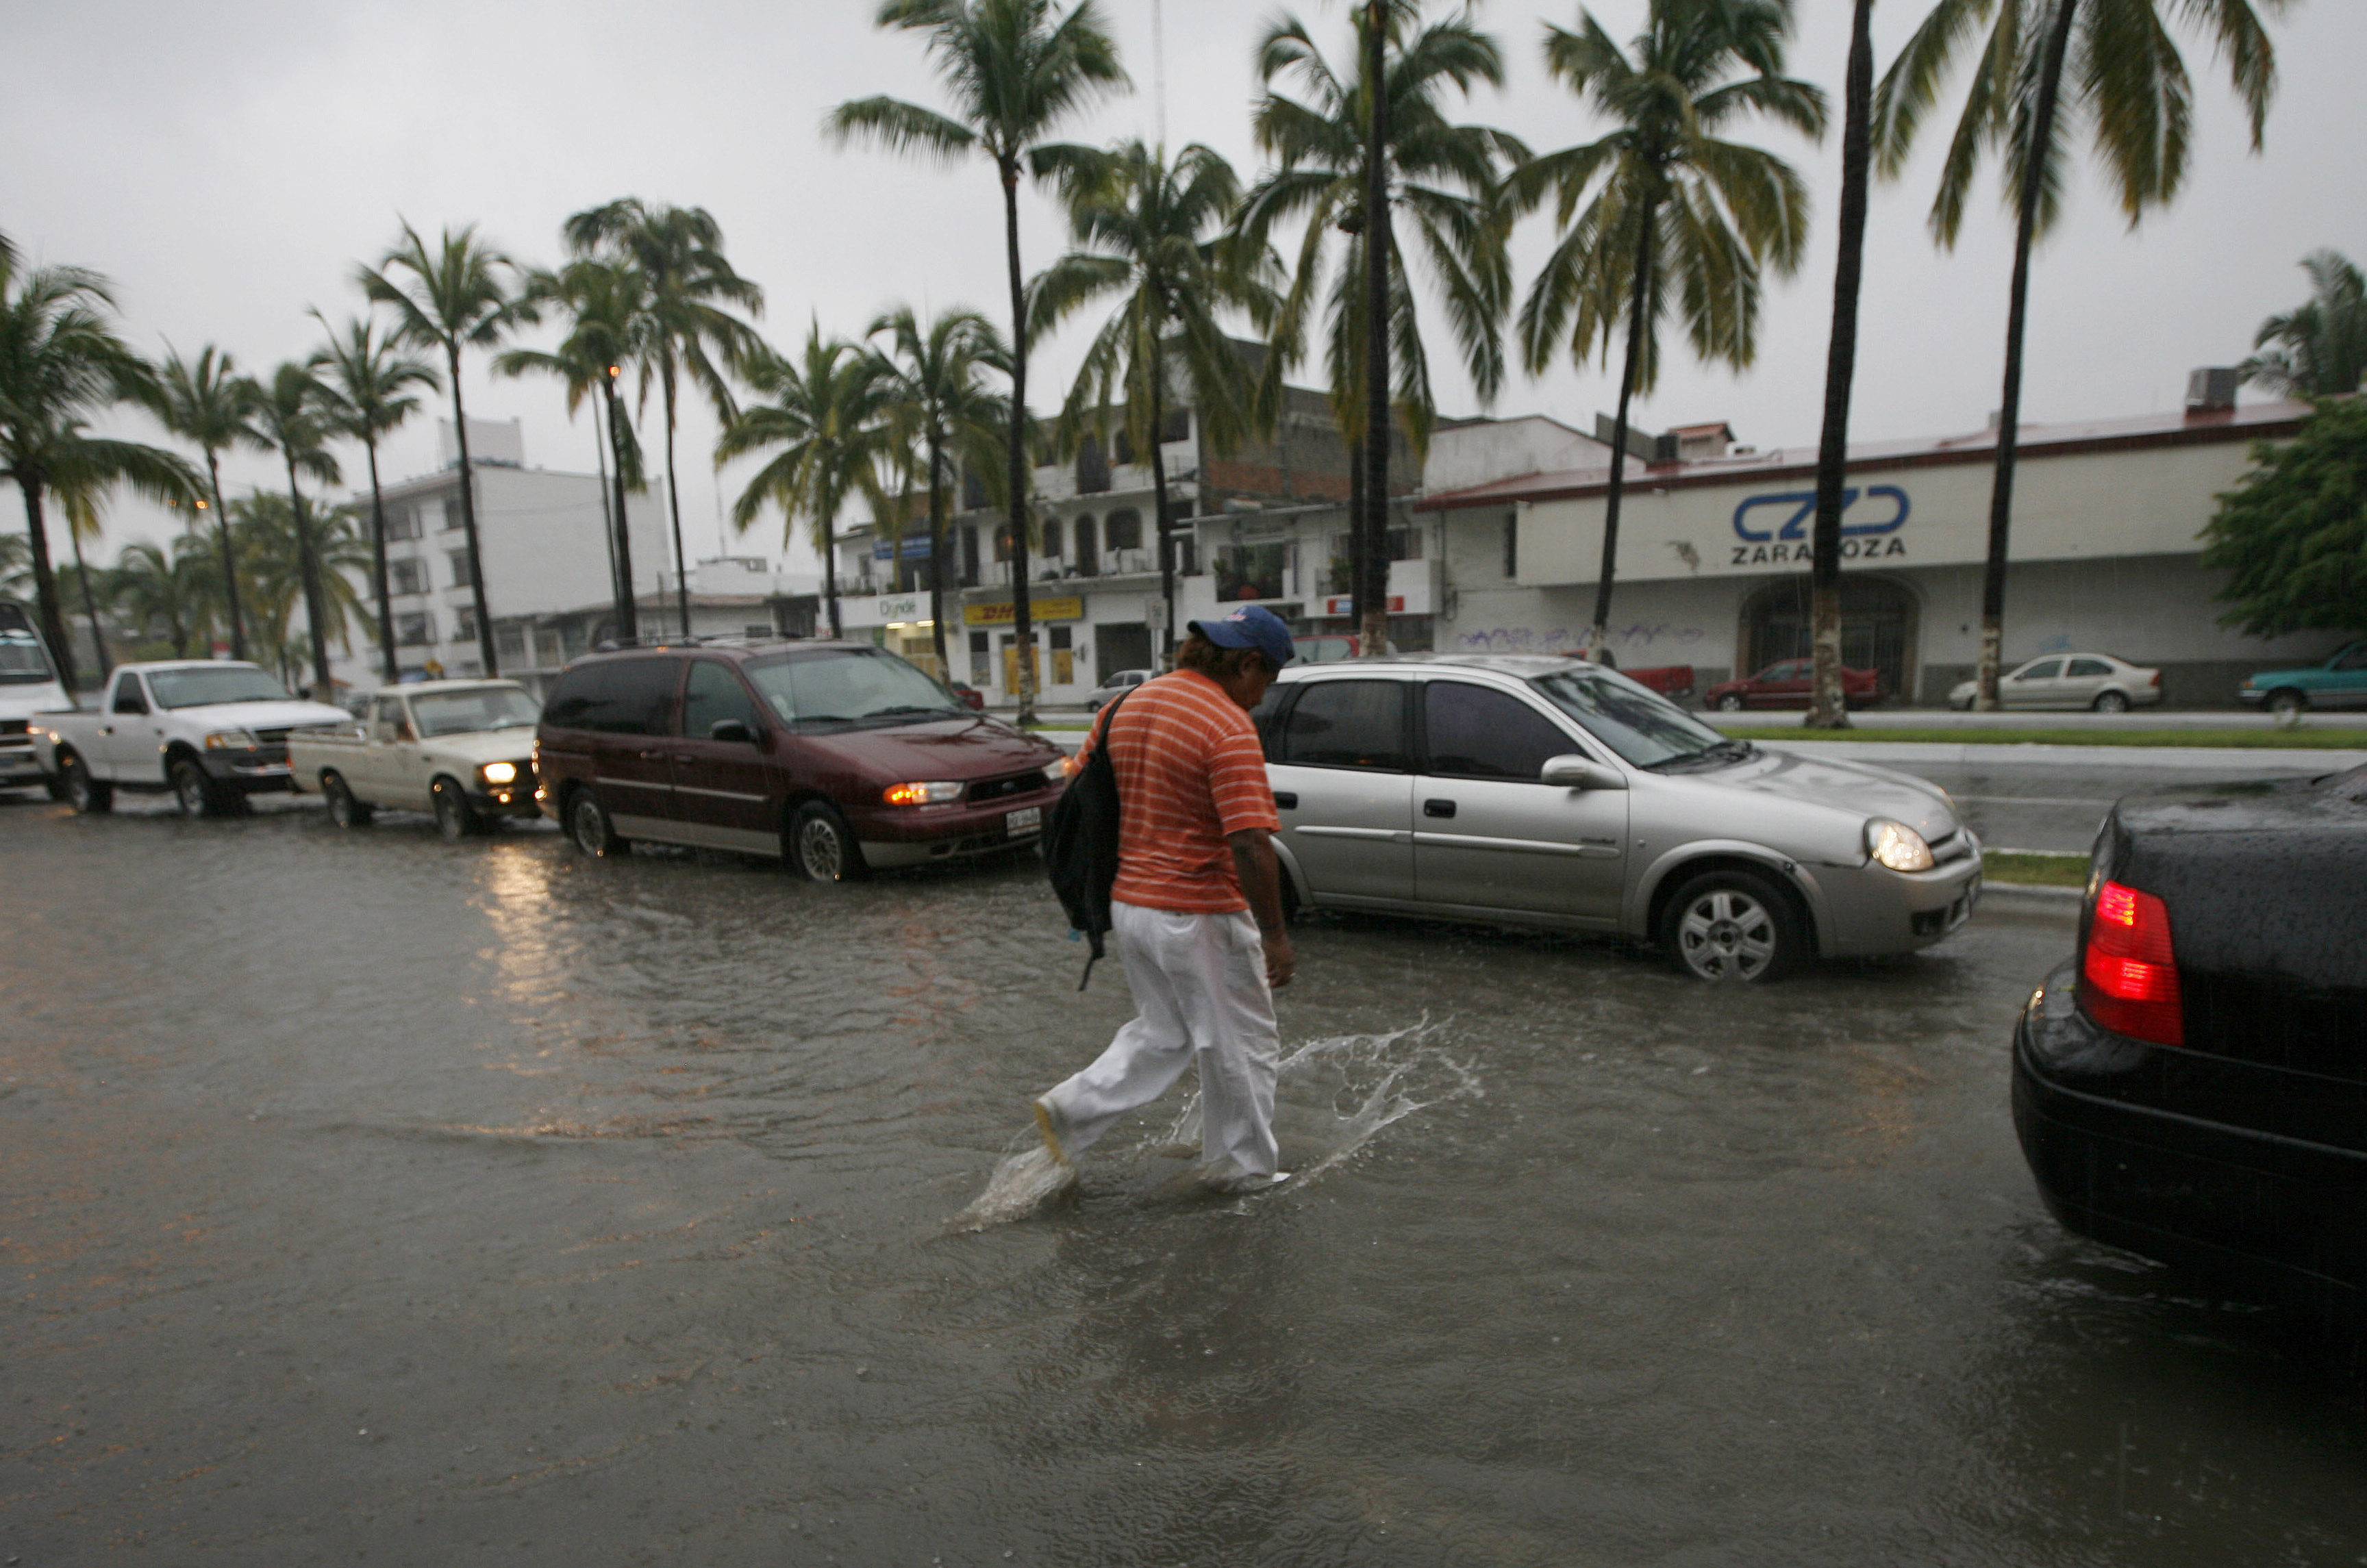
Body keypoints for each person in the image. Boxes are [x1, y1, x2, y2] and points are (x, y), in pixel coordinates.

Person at [1033, 604, 1298, 1193]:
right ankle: (1244, 1172)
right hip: (1197, 912)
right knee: (1242, 1046)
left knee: (1165, 1034)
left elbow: (1075, 787)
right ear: (1248, 663)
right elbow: (1252, 844)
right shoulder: (1226, 726)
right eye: (1268, 680)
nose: (1261, 697)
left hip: (1132, 908)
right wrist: (1276, 936)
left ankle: (1072, 1110)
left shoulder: (1127, 705)